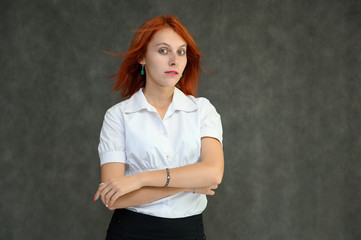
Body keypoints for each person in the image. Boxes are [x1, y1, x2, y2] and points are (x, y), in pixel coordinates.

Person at [94, 15, 224, 240]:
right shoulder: (118, 116)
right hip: (130, 231)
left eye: (181, 52)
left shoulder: (202, 110)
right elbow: (113, 197)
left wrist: (139, 179)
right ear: (142, 57)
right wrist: (189, 186)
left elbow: (213, 173)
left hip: (188, 232)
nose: (174, 60)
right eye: (163, 51)